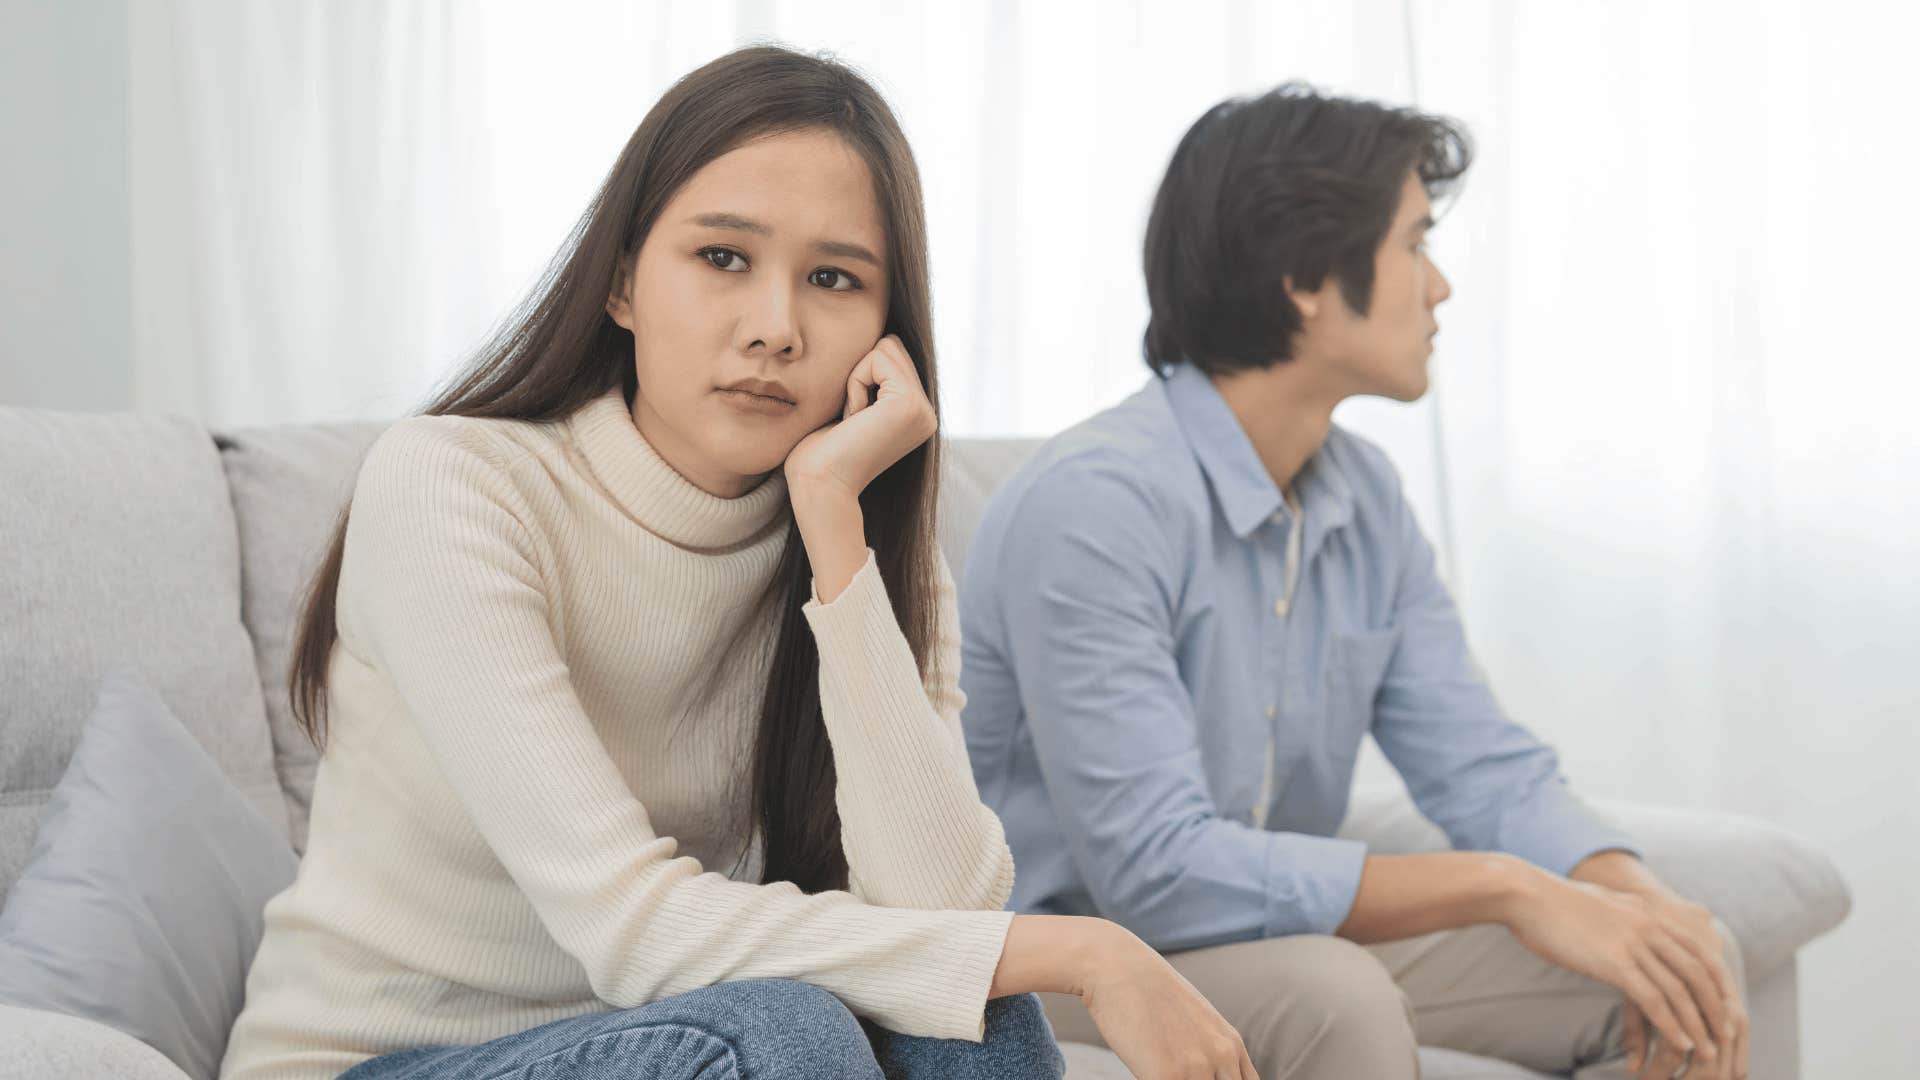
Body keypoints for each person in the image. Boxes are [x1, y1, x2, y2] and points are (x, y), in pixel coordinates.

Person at [221, 46, 1254, 1080]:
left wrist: (833, 531)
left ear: (886, 335)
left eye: (834, 280)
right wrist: (1087, 950)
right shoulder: (456, 486)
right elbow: (629, 927)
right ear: (622, 280)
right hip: (382, 1063)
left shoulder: (867, 541)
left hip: (675, 1046)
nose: (775, 329)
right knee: (783, 1033)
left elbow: (943, 914)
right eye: (723, 258)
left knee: (983, 1023)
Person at [959, 83, 1750, 1080]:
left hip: (1259, 936)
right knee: (1338, 998)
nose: (1442, 287)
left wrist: (1628, 892)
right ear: (1305, 276)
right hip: (1074, 961)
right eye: (1416, 243)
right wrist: (1506, 888)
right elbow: (1156, 875)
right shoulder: (1096, 506)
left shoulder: (1364, 496)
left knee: (1685, 961)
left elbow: (1482, 767)